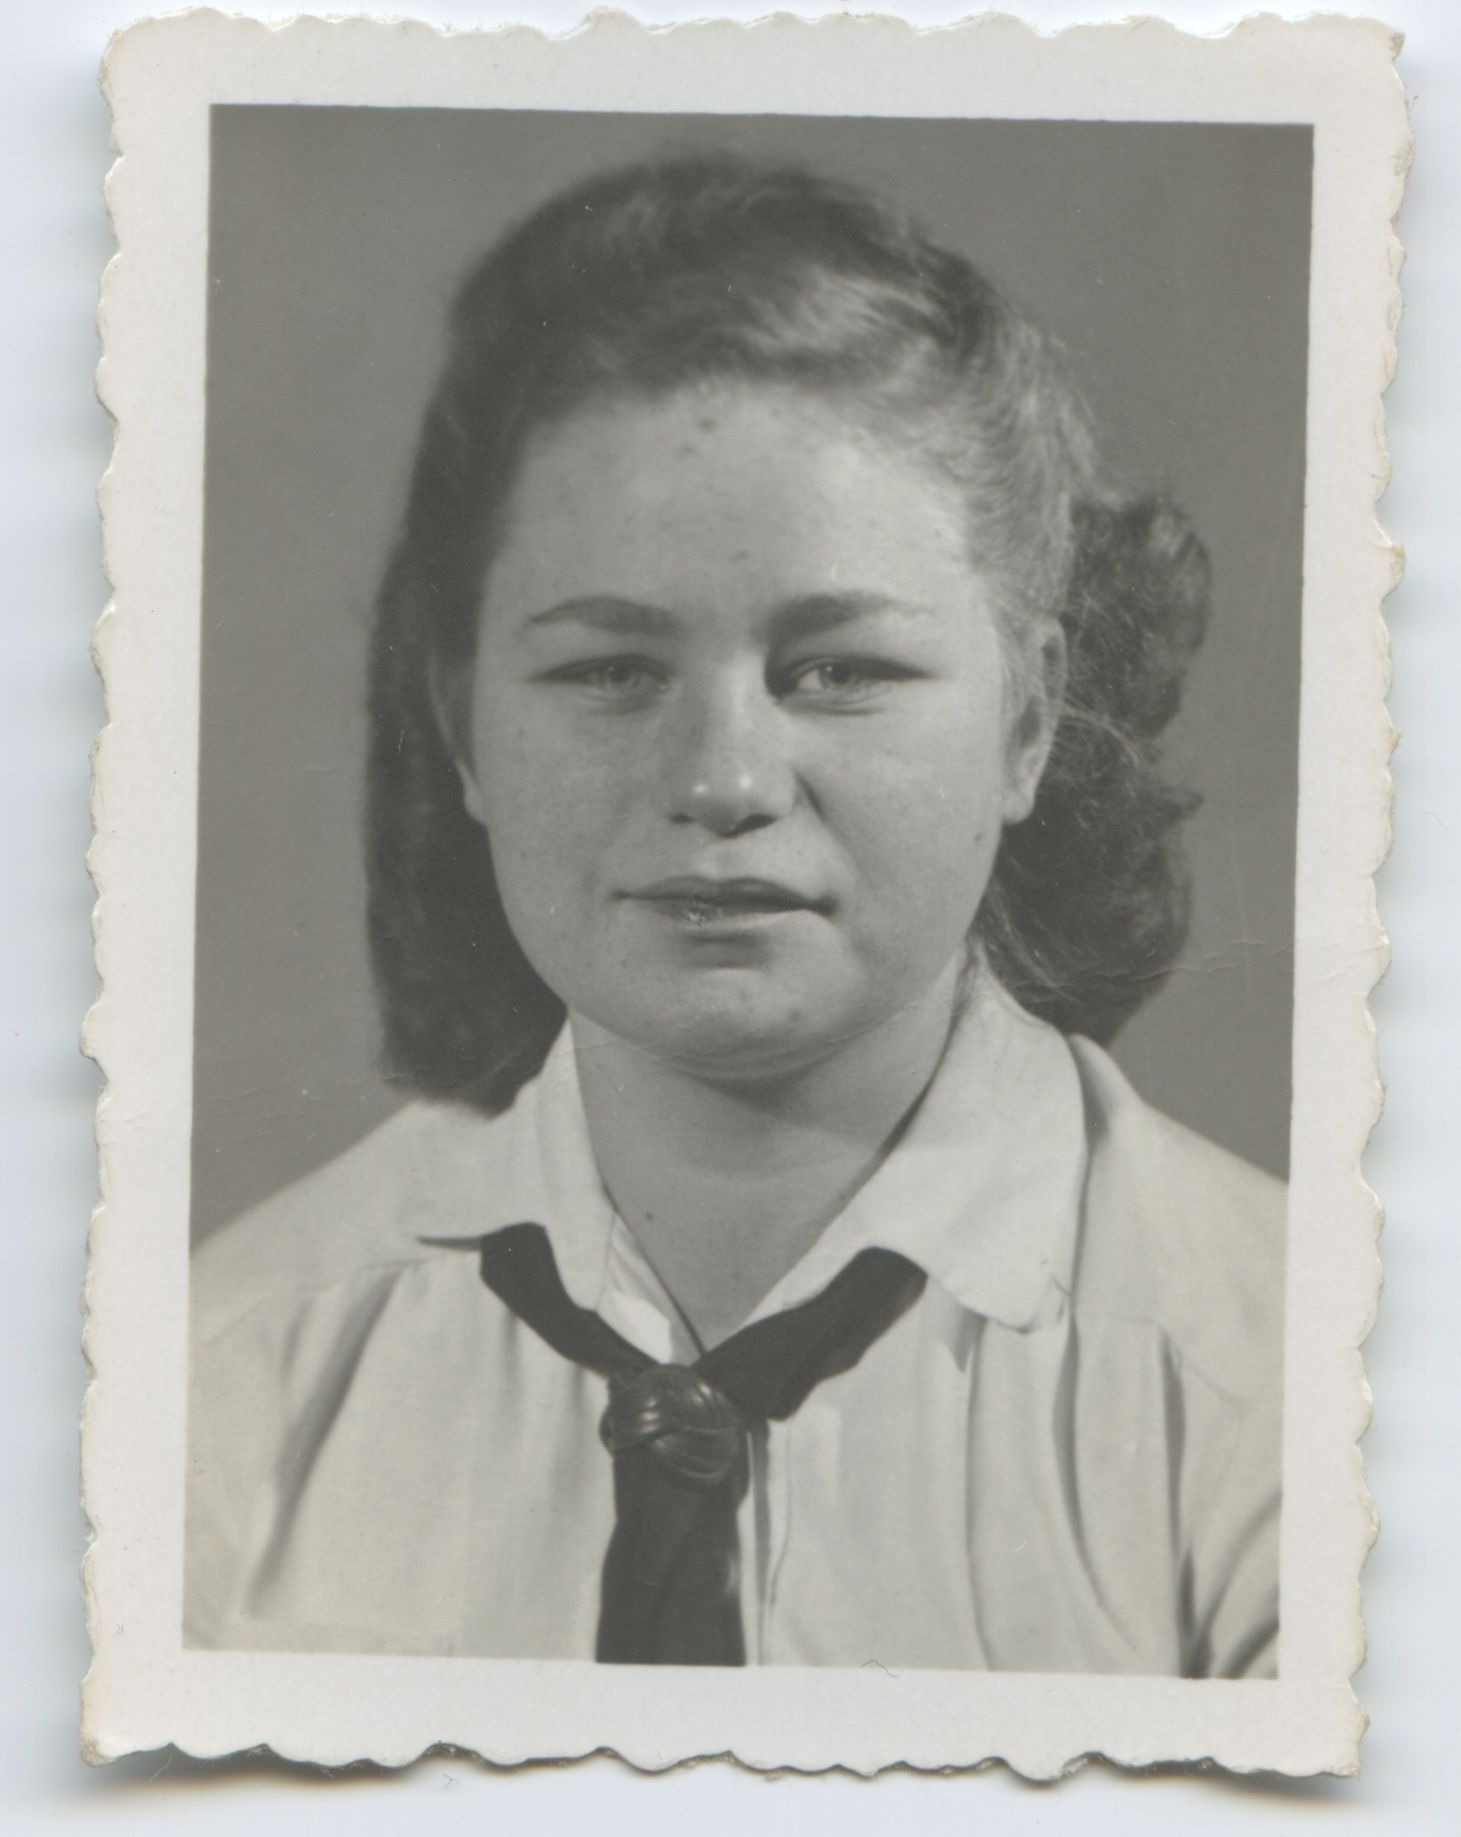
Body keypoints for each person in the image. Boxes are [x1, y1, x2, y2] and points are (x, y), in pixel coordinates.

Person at [186, 154, 1284, 1675]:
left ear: (1029, 723)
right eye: (609, 671)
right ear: (462, 729)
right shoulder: (220, 1380)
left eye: (838, 669)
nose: (722, 781)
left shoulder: (1293, 1390)